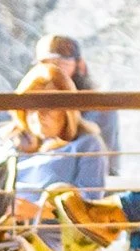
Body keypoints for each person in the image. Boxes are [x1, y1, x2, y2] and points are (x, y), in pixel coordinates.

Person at [0, 63, 108, 248]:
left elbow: (89, 207)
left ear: (67, 110)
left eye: (49, 106)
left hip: (48, 242)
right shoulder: (4, 139)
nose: (39, 114)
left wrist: (37, 211)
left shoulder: (86, 144)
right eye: (31, 105)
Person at [35, 34, 120, 176]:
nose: (54, 71)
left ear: (80, 65)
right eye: (47, 64)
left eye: (62, 64)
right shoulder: (34, 106)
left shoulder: (101, 108)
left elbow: (100, 161)